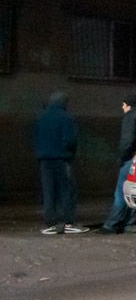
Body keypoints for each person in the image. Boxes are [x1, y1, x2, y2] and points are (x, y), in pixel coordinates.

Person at [97, 94, 136, 235]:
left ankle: (111, 225)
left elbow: (127, 141)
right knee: (132, 193)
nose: (122, 107)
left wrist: (121, 158)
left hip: (130, 159)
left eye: (123, 104)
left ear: (129, 105)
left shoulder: (130, 117)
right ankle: (127, 223)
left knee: (120, 193)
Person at [34, 92, 86, 234]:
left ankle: (50, 223)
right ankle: (67, 222)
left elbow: (36, 137)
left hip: (45, 159)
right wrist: (71, 152)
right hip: (62, 159)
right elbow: (70, 140)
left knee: (49, 191)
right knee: (66, 190)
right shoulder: (66, 118)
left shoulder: (41, 117)